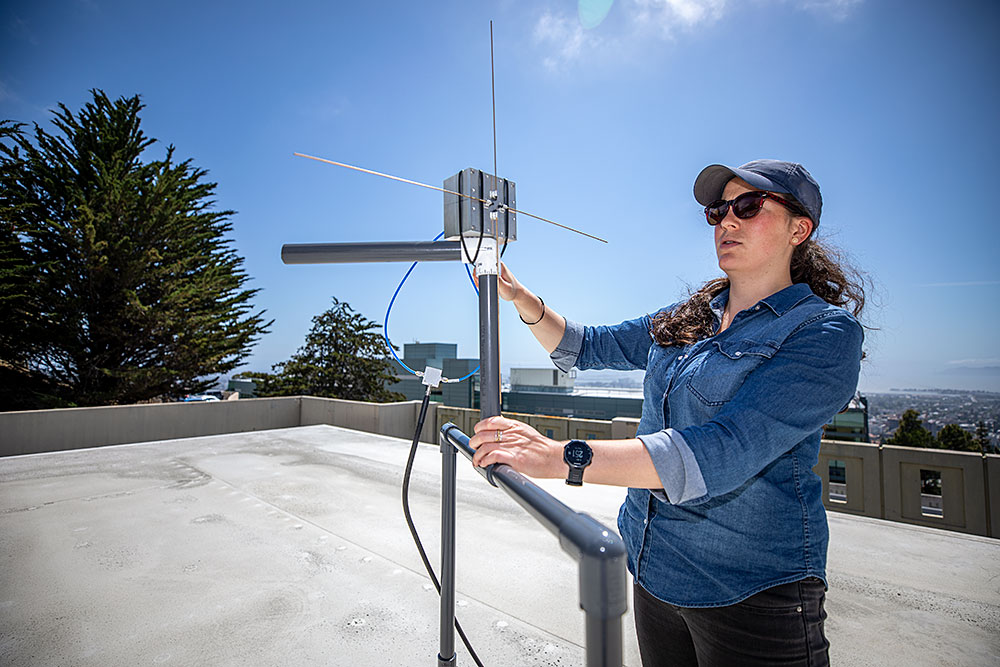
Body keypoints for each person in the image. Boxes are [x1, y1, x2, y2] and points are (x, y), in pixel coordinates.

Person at [468, 160, 866, 666]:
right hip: (654, 567)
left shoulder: (823, 334)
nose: (727, 221)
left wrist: (559, 457)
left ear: (799, 229)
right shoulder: (691, 315)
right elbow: (588, 346)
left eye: (748, 206)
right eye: (718, 211)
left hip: (750, 589)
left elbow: (723, 449)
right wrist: (519, 297)